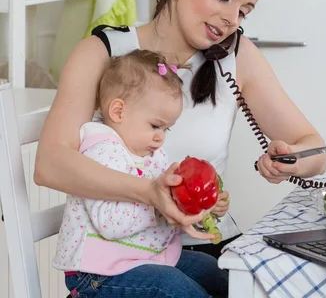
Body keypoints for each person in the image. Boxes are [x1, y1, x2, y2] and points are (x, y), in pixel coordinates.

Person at [34, 0, 326, 294]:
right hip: (119, 260)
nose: (232, 19)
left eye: (244, 11)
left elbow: (313, 147)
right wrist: (149, 192)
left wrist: (293, 159)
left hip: (202, 249)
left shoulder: (236, 57)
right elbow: (49, 163)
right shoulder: (103, 52)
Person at [53, 49, 228, 297]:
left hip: (148, 259)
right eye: (155, 126)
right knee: (171, 287)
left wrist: (197, 208)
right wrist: (160, 207)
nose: (160, 137)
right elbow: (109, 223)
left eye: (167, 129)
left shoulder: (153, 154)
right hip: (98, 274)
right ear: (118, 112)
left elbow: (167, 207)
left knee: (215, 271)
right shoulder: (102, 151)